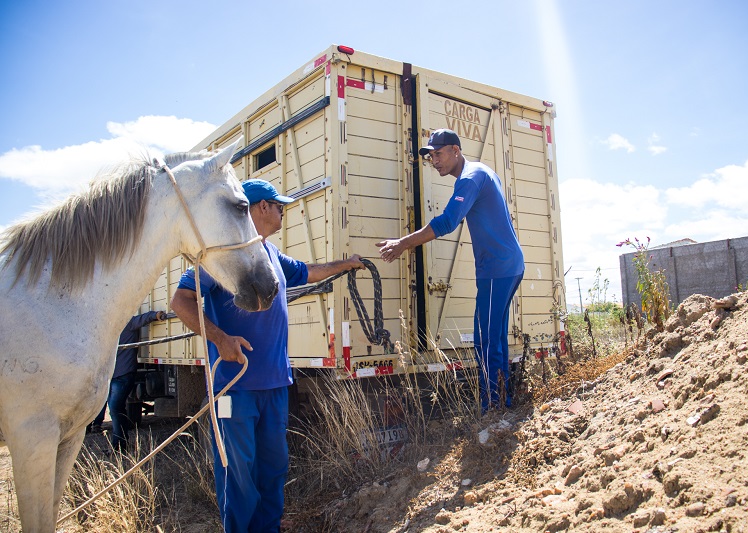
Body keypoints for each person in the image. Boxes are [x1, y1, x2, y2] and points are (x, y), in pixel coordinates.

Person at [170, 178, 364, 533]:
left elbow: (308, 272)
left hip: (275, 383)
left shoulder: (273, 255)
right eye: (278, 206)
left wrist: (347, 265)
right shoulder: (221, 256)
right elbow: (180, 301)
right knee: (239, 472)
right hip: (235, 387)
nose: (282, 211)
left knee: (274, 467)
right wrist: (221, 338)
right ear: (260, 207)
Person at [377, 129, 524, 412]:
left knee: (485, 340)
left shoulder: (469, 179)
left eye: (439, 154)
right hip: (505, 266)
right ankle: (502, 403)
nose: (435, 160)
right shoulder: (480, 171)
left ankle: (492, 409)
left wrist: (402, 243)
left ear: (456, 150)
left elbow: (447, 222)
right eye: (431, 156)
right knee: (495, 338)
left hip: (498, 269)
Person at [88, 310, 166, 452]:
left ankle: (119, 444)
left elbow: (142, 319)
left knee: (115, 408)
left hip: (123, 375)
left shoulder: (124, 324)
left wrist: (155, 315)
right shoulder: (115, 328)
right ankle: (120, 442)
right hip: (115, 375)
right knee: (116, 409)